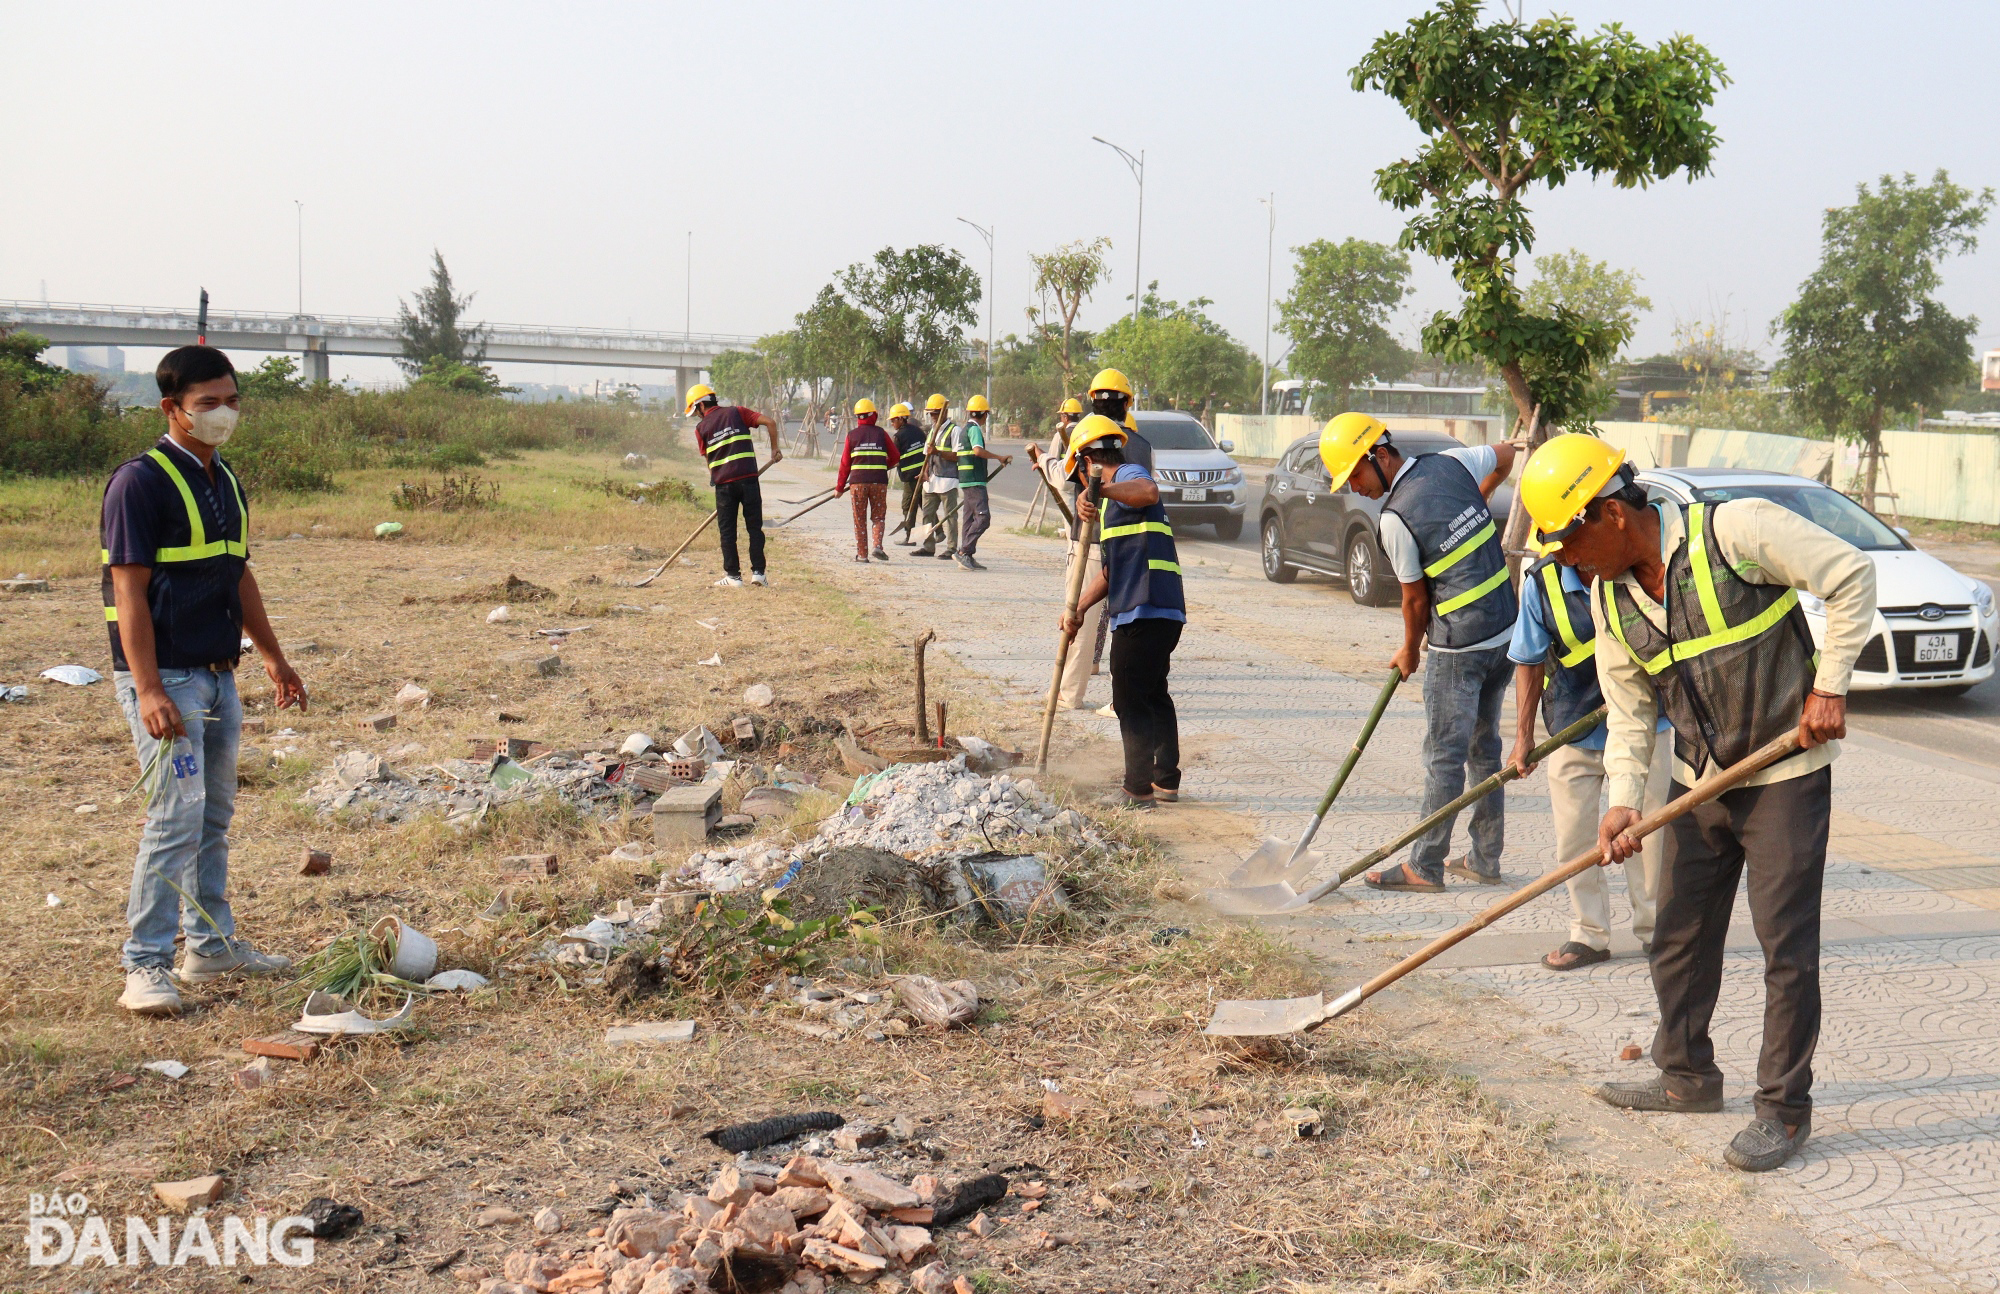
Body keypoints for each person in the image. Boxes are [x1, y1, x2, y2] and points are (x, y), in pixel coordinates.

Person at [1520, 434, 1876, 1174]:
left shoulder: (1736, 530)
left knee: (1786, 949)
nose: (1564, 560)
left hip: (1786, 774)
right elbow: (1628, 713)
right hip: (1698, 781)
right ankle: (1685, 1076)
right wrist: (1621, 803)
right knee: (1678, 933)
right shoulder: (1608, 596)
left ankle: (1782, 1111)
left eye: (1568, 541)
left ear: (1612, 514)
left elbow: (1850, 575)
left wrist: (1830, 685)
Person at [101, 345, 307, 1017]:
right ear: (172, 409)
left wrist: (272, 656)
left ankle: (210, 947)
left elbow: (236, 573)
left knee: (211, 817)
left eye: (232, 401)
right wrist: (150, 687)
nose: (223, 414)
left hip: (219, 675)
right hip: (170, 683)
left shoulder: (225, 480)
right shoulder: (139, 483)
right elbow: (127, 594)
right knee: (175, 816)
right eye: (207, 404)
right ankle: (146, 965)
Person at [1318, 414, 1518, 893]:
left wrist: (1409, 651)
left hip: (1459, 648)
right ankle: (1485, 859)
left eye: (1357, 476)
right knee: (1484, 749)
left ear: (1380, 456)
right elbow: (1508, 453)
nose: (1356, 489)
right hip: (1504, 631)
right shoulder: (1452, 465)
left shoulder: (1395, 518)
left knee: (1444, 758)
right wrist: (1481, 496)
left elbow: (1414, 599)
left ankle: (1424, 866)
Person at [1508, 542, 1674, 970]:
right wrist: (1523, 737)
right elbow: (1528, 660)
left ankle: (1657, 931)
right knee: (1574, 839)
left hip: (1644, 726)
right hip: (1573, 727)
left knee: (1649, 836)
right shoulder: (1541, 584)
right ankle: (1589, 934)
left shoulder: (1634, 566)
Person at [1059, 414, 1184, 810]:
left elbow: (1148, 490)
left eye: (1080, 475)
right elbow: (1112, 572)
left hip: (1144, 607)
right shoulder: (1116, 507)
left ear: (1087, 464)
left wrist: (1103, 489)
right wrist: (1078, 609)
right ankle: (1165, 780)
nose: (1080, 486)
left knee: (1129, 699)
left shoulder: (1129, 475)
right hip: (1160, 607)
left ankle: (1137, 789)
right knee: (1153, 693)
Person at [1027, 397, 1105, 710]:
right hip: (1124, 538)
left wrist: (1043, 459)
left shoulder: (1086, 434)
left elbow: (1062, 475)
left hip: (1090, 540)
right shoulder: (1138, 442)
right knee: (1112, 616)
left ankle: (1070, 691)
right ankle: (1098, 669)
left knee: (1079, 612)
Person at [687, 383, 782, 587]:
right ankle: (758, 574)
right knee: (754, 528)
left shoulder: (701, 428)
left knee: (727, 531)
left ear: (701, 405)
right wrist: (774, 449)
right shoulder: (737, 412)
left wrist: (717, 476)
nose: (697, 415)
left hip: (724, 486)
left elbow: (708, 460)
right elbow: (770, 422)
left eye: (696, 411)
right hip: (749, 479)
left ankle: (733, 577)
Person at [951, 394, 1011, 571]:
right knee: (983, 518)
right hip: (975, 480)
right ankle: (964, 551)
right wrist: (999, 457)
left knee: (969, 519)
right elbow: (977, 451)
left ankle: (967, 555)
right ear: (984, 414)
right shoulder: (975, 430)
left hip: (965, 479)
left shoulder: (963, 430)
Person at [835, 398, 894, 563]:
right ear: (874, 415)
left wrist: (839, 487)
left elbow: (845, 464)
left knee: (859, 519)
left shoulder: (852, 435)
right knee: (878, 516)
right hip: (879, 482)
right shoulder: (882, 433)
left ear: (857, 417)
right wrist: (881, 466)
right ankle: (877, 546)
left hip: (857, 483)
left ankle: (862, 555)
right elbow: (895, 456)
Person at [914, 394, 960, 559]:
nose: (933, 417)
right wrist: (924, 471)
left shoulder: (954, 431)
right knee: (927, 514)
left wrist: (939, 452)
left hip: (948, 481)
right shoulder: (932, 430)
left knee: (950, 516)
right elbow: (927, 455)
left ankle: (952, 548)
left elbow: (957, 455)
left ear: (944, 412)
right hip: (931, 481)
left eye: (936, 413)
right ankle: (928, 546)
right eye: (931, 414)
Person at [889, 402, 926, 545]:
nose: (892, 423)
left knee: (908, 506)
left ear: (900, 419)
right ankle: (940, 531)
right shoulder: (918, 431)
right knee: (924, 504)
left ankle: (910, 537)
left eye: (893, 420)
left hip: (911, 476)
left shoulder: (898, 436)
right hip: (923, 474)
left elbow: (893, 458)